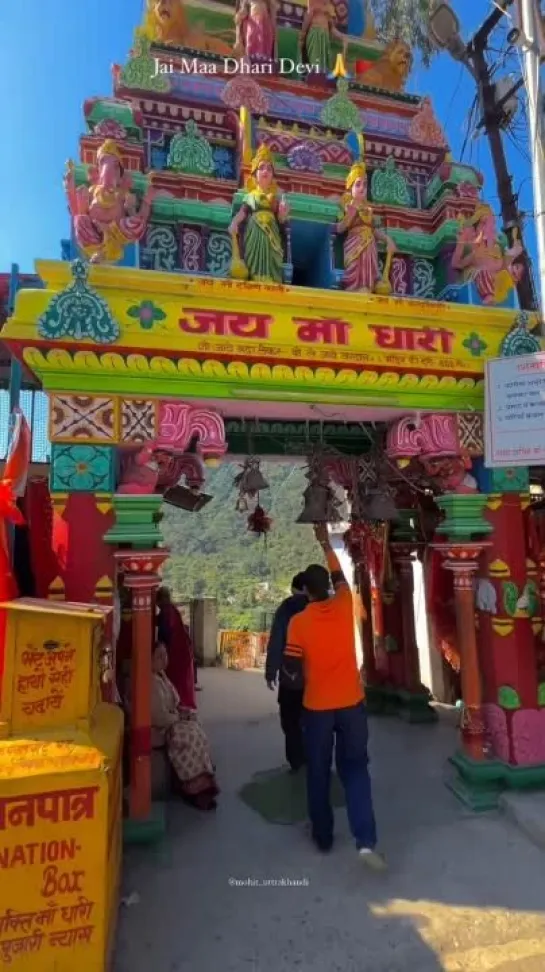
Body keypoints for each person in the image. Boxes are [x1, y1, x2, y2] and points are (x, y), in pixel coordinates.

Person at [284, 525, 385, 869]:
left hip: (317, 709)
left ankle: (324, 837)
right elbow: (340, 574)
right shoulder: (343, 603)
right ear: (326, 589)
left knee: (319, 772)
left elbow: (292, 670)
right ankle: (366, 841)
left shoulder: (299, 622)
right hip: (352, 705)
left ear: (305, 593)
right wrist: (326, 541)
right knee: (356, 768)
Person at [151, 641, 219, 811]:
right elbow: (159, 717)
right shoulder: (149, 682)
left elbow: (174, 702)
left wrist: (184, 713)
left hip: (172, 720)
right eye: (158, 656)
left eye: (165, 655)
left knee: (197, 728)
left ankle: (204, 776)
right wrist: (179, 717)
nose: (164, 659)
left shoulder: (160, 675)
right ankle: (192, 787)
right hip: (162, 727)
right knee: (189, 737)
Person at [265, 573, 308, 772]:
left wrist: (271, 671)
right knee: (311, 717)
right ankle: (313, 756)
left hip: (290, 674)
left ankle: (296, 760)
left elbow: (276, 642)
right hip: (314, 675)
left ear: (293, 588)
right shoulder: (317, 607)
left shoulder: (286, 608)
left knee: (290, 719)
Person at [156, 587, 197, 710]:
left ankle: (179, 704)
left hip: (176, 652)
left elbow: (165, 633)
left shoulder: (166, 611)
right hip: (182, 650)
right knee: (182, 681)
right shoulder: (171, 610)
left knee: (175, 681)